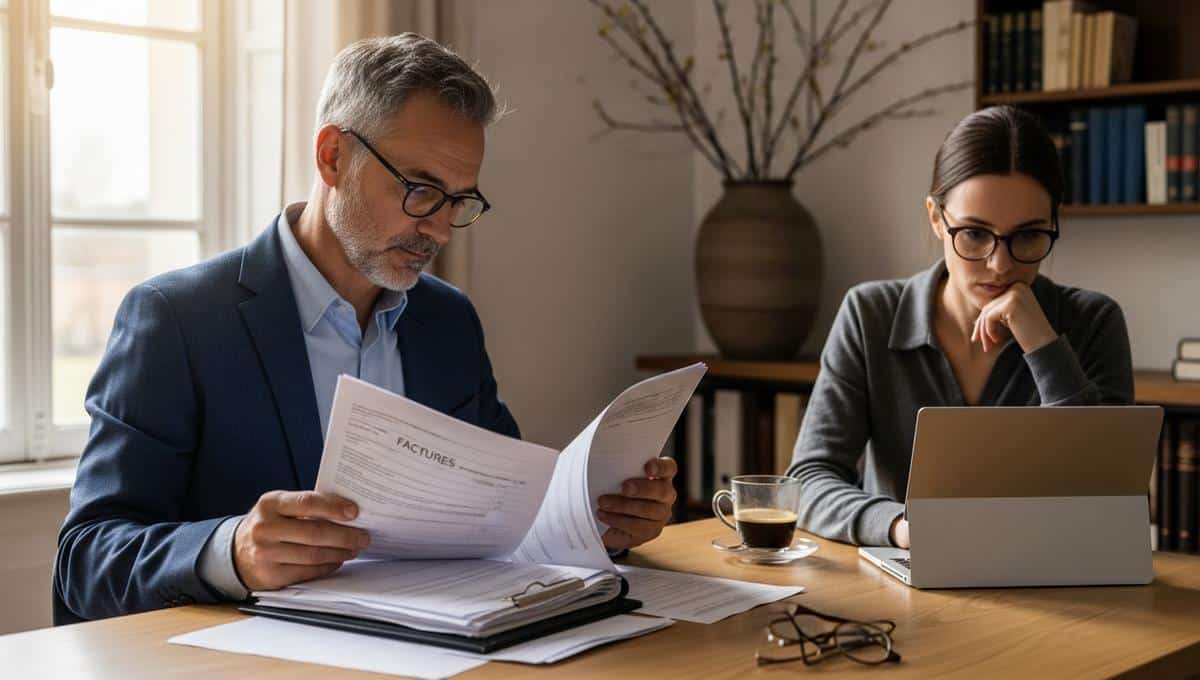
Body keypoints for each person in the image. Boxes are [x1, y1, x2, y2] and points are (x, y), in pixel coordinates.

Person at [54, 34, 677, 624]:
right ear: (332, 157)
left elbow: (508, 521)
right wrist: (232, 549)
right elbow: (84, 560)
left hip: (441, 651)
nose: (437, 229)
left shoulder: (448, 323)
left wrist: (598, 525)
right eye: (420, 190)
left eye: (459, 200)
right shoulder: (175, 320)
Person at [789, 105, 1134, 548]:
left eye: (1028, 235)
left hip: (1054, 583)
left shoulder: (1092, 321)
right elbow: (809, 479)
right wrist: (900, 528)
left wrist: (1043, 345)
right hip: (902, 578)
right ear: (936, 218)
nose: (1000, 264)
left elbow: (1107, 492)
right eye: (974, 234)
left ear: (1053, 223)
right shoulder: (869, 313)